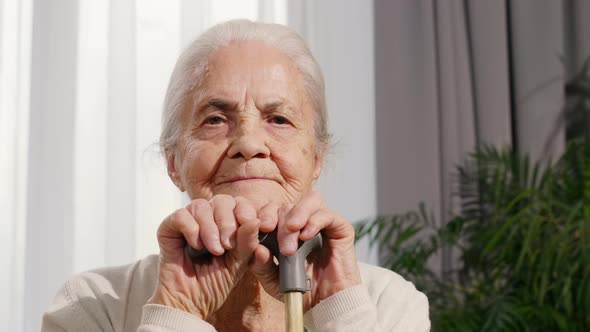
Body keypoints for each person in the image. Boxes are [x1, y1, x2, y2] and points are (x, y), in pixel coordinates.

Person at [42, 19, 430, 331]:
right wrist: (178, 310)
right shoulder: (93, 306)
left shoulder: (387, 304)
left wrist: (336, 310)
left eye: (279, 119)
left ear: (316, 160)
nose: (248, 142)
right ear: (173, 162)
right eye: (214, 120)